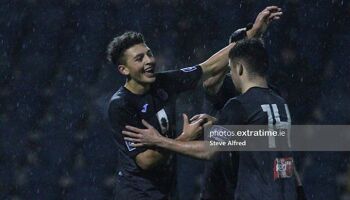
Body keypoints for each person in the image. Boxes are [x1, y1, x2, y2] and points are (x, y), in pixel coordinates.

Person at [107, 6, 282, 200]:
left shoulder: (163, 83)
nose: (149, 60)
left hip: (167, 191)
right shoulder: (121, 105)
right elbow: (146, 161)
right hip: (137, 194)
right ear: (124, 70)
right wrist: (184, 137)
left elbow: (208, 67)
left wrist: (251, 33)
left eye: (149, 53)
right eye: (140, 58)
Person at [123, 38, 302, 199]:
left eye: (230, 70)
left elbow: (209, 151)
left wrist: (160, 140)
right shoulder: (280, 103)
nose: (230, 75)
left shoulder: (238, 105)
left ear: (239, 69)